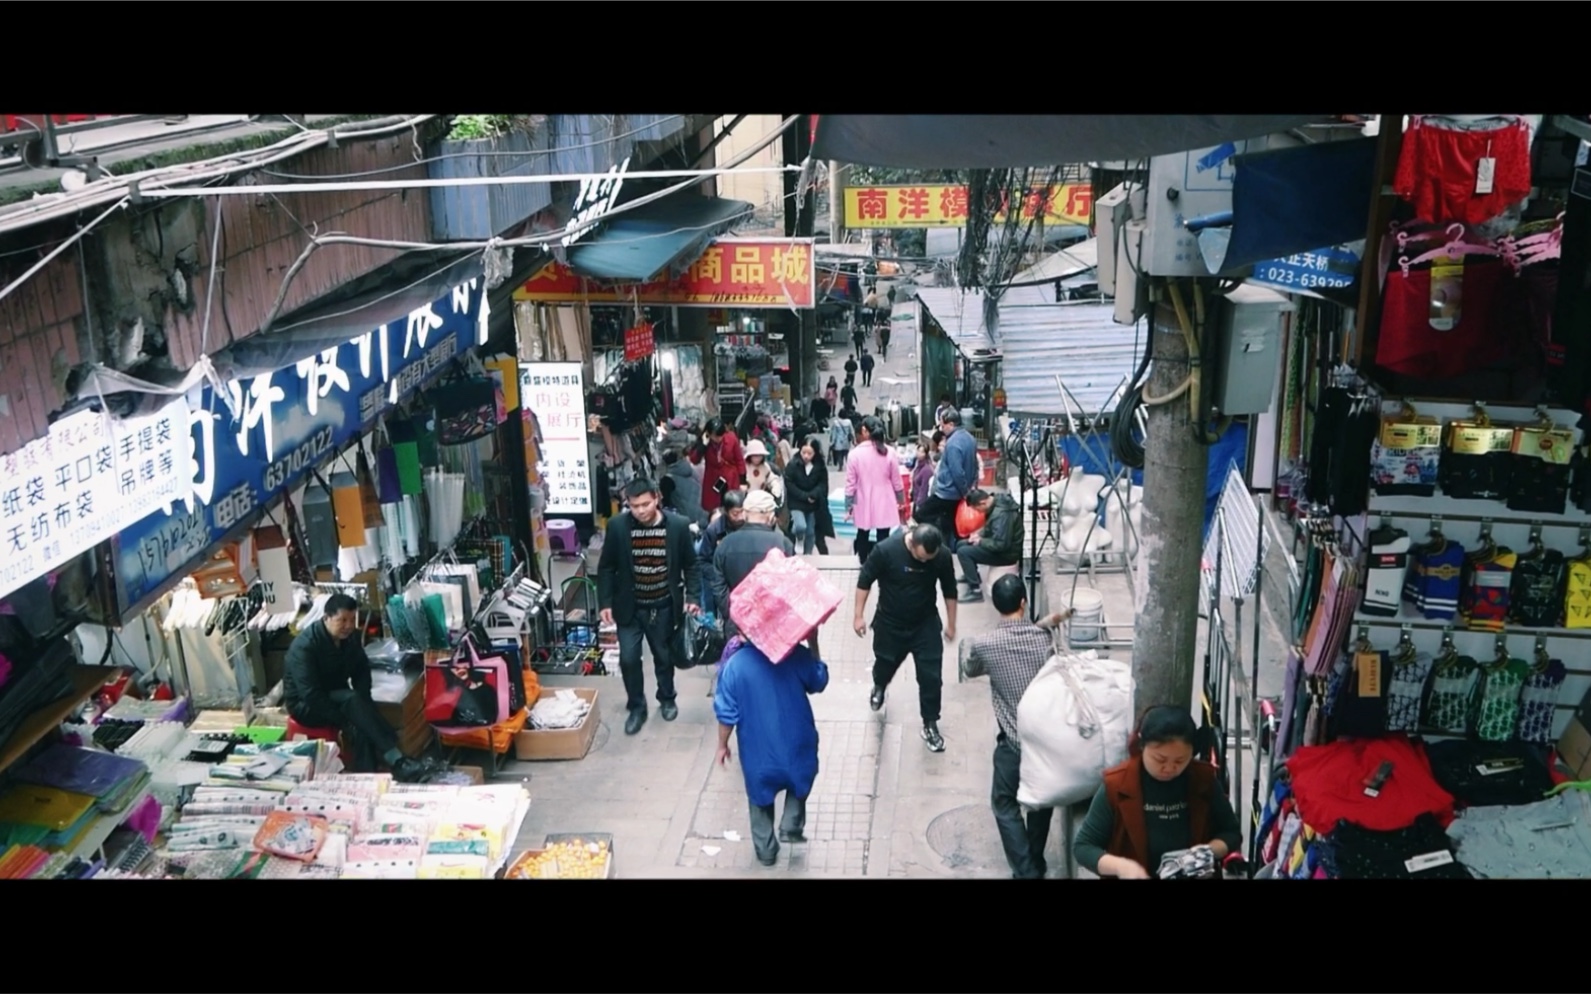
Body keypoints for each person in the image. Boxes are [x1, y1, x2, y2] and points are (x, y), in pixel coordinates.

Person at [959, 575, 1072, 879]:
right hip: (1047, 742)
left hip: (1013, 742)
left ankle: (1026, 871)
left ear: (997, 606)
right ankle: (1034, 859)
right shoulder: (1044, 639)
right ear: (1024, 602)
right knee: (1041, 800)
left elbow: (970, 669)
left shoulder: (986, 645)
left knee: (1004, 803)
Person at [284, 593, 442, 783]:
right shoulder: (304, 647)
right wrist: (343, 719)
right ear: (326, 618)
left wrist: (364, 701)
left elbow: (361, 669)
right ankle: (398, 761)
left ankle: (367, 776)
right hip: (306, 705)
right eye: (342, 620)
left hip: (337, 696)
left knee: (360, 719)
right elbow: (310, 694)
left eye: (352, 620)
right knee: (354, 710)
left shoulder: (349, 638)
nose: (349, 626)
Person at [1073, 706, 1244, 880]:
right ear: (1142, 746)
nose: (1169, 768)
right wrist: (1122, 867)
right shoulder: (1117, 785)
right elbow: (1084, 847)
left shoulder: (1202, 779)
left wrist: (1207, 852)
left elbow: (1231, 832)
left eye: (1180, 760)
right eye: (1159, 759)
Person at [597, 478, 703, 735]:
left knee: (663, 657)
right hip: (629, 607)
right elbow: (607, 567)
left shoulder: (677, 526)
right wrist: (605, 602)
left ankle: (667, 698)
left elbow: (691, 565)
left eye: (645, 504)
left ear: (657, 498)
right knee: (629, 659)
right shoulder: (617, 527)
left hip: (663, 605)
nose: (641, 510)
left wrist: (693, 598)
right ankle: (637, 706)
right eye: (634, 506)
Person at [714, 635, 829, 867]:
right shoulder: (795, 654)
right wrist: (813, 643)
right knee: (801, 779)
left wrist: (722, 745)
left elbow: (726, 714)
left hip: (757, 750)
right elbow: (819, 680)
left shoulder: (734, 667)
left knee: (759, 796)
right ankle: (791, 825)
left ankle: (766, 851)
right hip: (797, 743)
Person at [854, 523, 958, 753]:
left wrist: (951, 623)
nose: (924, 562)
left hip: (925, 624)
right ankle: (879, 686)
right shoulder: (885, 550)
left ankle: (930, 723)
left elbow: (949, 589)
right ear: (911, 543)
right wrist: (858, 616)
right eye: (920, 558)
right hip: (890, 624)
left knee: (931, 676)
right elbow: (865, 580)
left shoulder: (941, 556)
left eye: (928, 559)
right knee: (885, 663)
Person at [713, 490, 798, 638]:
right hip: (773, 626)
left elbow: (718, 587)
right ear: (771, 517)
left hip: (737, 625)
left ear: (745, 515)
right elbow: (791, 588)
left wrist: (732, 612)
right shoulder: (783, 544)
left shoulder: (725, 544)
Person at [845, 416, 905, 566]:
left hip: (863, 498)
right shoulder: (889, 452)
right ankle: (882, 563)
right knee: (883, 533)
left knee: (862, 532)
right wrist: (901, 501)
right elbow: (897, 481)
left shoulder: (854, 454)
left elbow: (850, 484)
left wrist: (848, 506)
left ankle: (863, 563)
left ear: (864, 430)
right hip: (885, 498)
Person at [918, 409, 979, 550]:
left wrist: (965, 492)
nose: (941, 429)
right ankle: (951, 550)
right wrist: (971, 488)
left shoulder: (953, 444)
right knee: (952, 525)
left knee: (921, 515)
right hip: (960, 491)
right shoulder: (970, 438)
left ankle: (935, 545)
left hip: (948, 493)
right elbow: (974, 466)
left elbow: (957, 471)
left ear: (950, 424)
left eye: (942, 425)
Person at [955, 487, 1024, 603]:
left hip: (1006, 555)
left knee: (964, 552)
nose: (978, 512)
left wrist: (980, 541)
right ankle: (972, 575)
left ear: (983, 503)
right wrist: (978, 534)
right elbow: (991, 528)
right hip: (999, 546)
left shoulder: (1001, 515)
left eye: (977, 509)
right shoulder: (995, 504)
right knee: (961, 544)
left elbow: (1001, 545)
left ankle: (975, 591)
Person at [698, 490, 747, 617]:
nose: (741, 517)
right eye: (735, 513)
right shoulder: (714, 530)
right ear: (725, 511)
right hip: (722, 586)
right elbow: (703, 561)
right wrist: (719, 576)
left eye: (743, 512)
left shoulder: (749, 525)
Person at [784, 438, 829, 556]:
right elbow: (789, 483)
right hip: (796, 502)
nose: (806, 456)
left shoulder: (820, 467)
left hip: (813, 503)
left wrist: (814, 494)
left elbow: (822, 484)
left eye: (810, 453)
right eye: (803, 452)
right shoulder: (793, 464)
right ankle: (798, 539)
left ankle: (808, 553)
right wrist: (804, 496)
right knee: (800, 526)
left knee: (810, 531)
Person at [702, 418, 744, 515]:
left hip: (730, 477)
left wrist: (742, 481)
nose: (718, 439)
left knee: (731, 505)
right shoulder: (705, 442)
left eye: (720, 436)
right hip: (713, 479)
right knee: (714, 509)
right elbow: (694, 459)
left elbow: (739, 460)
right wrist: (702, 445)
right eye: (715, 436)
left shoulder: (731, 439)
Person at [660, 449, 707, 530]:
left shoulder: (667, 479)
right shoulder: (691, 470)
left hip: (688, 520)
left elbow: (665, 503)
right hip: (703, 513)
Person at [743, 439, 784, 505]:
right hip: (746, 500)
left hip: (761, 500)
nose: (757, 458)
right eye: (754, 455)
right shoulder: (744, 467)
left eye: (759, 455)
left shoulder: (765, 467)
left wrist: (775, 487)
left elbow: (772, 479)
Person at [910, 440, 936, 523]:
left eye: (922, 452)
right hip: (916, 500)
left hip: (922, 503)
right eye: (918, 450)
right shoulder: (917, 465)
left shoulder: (927, 470)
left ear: (926, 454)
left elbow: (924, 489)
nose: (919, 453)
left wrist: (919, 505)